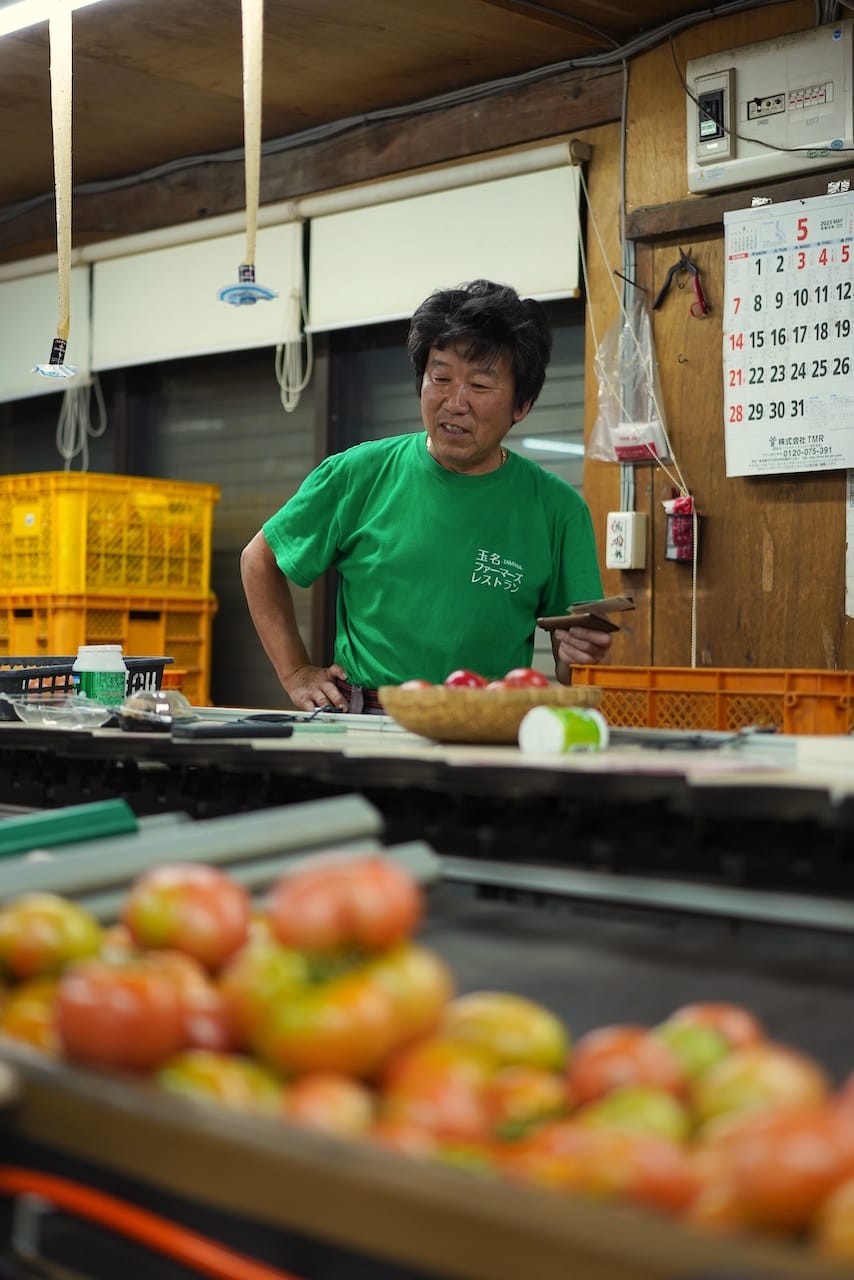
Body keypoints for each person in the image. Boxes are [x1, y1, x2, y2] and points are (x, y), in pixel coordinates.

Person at [240, 278, 612, 712]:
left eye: (479, 385)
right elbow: (259, 559)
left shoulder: (558, 509)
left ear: (521, 405)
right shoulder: (358, 473)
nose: (455, 402)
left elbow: (575, 662)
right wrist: (296, 673)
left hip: (487, 724)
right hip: (367, 717)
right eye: (440, 377)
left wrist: (578, 655)